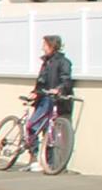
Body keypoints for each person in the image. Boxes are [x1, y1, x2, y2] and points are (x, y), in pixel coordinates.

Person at [27, 34, 74, 172]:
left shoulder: (63, 62)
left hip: (54, 100)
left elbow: (66, 79)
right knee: (32, 126)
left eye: (45, 45)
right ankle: (35, 157)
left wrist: (58, 89)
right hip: (43, 98)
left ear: (52, 46)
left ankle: (48, 162)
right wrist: (35, 91)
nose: (42, 48)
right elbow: (41, 80)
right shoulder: (46, 62)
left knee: (49, 131)